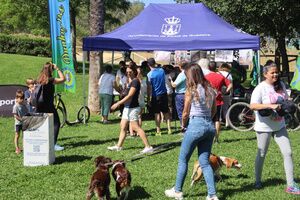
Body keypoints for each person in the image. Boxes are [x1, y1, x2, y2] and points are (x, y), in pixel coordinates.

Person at [165, 63, 218, 200]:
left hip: (195, 125)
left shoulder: (191, 90)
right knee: (204, 162)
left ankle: (177, 191)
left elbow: (185, 113)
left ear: (190, 76)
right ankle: (212, 195)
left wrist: (183, 126)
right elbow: (214, 111)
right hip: (209, 126)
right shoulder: (211, 89)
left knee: (183, 159)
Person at [250, 61, 300, 195]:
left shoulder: (281, 85)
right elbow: (253, 105)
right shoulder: (261, 88)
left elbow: (286, 99)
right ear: (265, 74)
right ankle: (257, 181)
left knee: (288, 152)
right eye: (272, 72)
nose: (275, 74)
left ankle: (290, 185)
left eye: (276, 72)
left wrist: (287, 105)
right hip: (264, 127)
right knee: (261, 154)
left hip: (279, 126)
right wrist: (270, 106)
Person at [108, 62, 153, 154]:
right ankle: (119, 146)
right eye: (127, 72)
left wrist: (117, 104)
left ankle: (148, 146)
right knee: (123, 126)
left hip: (133, 108)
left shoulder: (136, 81)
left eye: (130, 72)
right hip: (127, 108)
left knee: (136, 127)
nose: (128, 73)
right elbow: (124, 93)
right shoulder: (130, 81)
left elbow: (130, 95)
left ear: (134, 72)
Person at [36, 62, 65, 151]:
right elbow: (63, 79)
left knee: (42, 124)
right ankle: (53, 144)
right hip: (49, 106)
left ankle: (41, 141)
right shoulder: (51, 80)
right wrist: (57, 68)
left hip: (39, 105)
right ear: (51, 70)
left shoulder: (39, 79)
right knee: (56, 123)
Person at [205, 60, 232, 143]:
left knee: (207, 119)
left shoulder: (205, 76)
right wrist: (225, 91)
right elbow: (230, 84)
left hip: (208, 101)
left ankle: (207, 137)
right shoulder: (220, 77)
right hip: (218, 100)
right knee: (217, 119)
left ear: (208, 67)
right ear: (216, 68)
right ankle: (216, 138)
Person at [147, 58, 172, 135]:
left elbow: (149, 87)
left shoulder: (149, 74)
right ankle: (169, 129)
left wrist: (148, 98)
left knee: (157, 113)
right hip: (164, 94)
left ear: (148, 65)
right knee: (166, 112)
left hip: (155, 95)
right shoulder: (161, 71)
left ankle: (158, 130)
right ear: (154, 63)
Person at [170, 62, 188, 129]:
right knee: (186, 111)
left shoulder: (182, 74)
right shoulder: (188, 73)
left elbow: (174, 85)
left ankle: (183, 127)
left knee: (181, 112)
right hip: (187, 94)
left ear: (180, 67)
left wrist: (171, 80)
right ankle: (186, 126)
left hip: (180, 94)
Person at [12, 90, 29, 154]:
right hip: (18, 124)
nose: (21, 100)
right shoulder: (15, 106)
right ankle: (17, 148)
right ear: (16, 98)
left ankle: (24, 147)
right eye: (20, 98)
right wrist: (21, 119)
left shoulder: (24, 105)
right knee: (17, 135)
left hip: (24, 123)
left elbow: (27, 112)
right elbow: (15, 115)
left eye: (22, 98)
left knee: (24, 135)